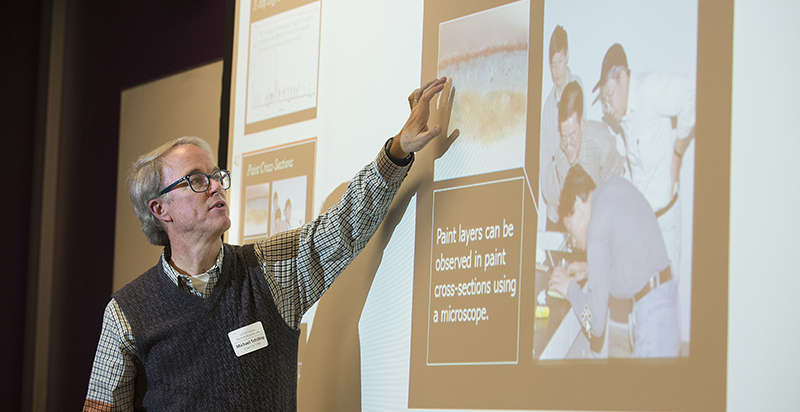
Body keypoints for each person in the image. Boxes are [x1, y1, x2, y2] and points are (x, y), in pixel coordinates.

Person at [82, 77, 456, 411]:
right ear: (160, 209)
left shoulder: (268, 271)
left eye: (216, 176)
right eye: (196, 180)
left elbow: (343, 226)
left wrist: (397, 151)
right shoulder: (127, 313)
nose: (215, 186)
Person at [549, 164, 680, 358]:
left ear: (577, 204)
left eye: (569, 229)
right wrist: (590, 268)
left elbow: (595, 324)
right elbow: (627, 255)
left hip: (652, 314)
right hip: (663, 299)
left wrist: (570, 290)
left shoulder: (596, 228)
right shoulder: (612, 190)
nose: (574, 242)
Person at [592, 43, 695, 283]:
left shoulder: (649, 89)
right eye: (604, 102)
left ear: (624, 78)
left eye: (608, 97)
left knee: (665, 301)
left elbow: (691, 91)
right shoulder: (626, 116)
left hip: (664, 221)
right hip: (643, 225)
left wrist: (678, 154)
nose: (607, 108)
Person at [550, 81, 623, 216]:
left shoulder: (602, 142)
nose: (567, 146)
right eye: (563, 137)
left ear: (581, 124)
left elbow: (617, 173)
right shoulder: (561, 158)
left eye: (572, 136)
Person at [540, 25, 585, 227]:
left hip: (577, 204)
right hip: (555, 210)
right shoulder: (548, 106)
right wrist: (555, 198)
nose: (556, 70)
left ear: (567, 56)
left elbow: (582, 146)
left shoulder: (578, 88)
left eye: (559, 61)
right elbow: (544, 162)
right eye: (552, 65)